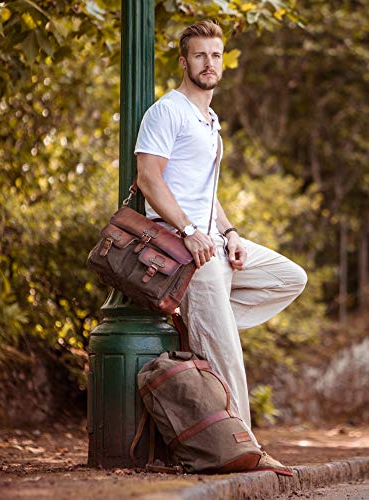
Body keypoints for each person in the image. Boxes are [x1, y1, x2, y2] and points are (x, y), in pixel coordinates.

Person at [134, 19, 307, 475]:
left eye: (215, 55)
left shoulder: (210, 121)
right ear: (184, 61)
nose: (209, 63)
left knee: (289, 278)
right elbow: (148, 179)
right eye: (199, 55)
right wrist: (190, 229)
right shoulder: (166, 111)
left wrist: (229, 233)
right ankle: (246, 449)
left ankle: (207, 324)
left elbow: (206, 194)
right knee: (227, 355)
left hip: (213, 242)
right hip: (184, 249)